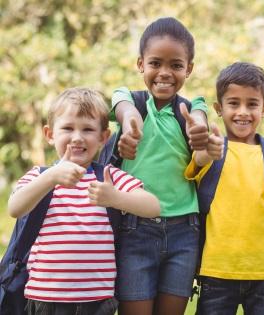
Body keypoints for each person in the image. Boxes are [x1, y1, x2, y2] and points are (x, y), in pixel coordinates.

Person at [7, 87, 160, 315]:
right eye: (68, 128)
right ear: (50, 134)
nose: (77, 137)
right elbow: (15, 208)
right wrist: (51, 177)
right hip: (46, 298)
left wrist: (116, 197)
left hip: (96, 301)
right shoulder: (40, 176)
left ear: (103, 137)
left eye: (88, 129)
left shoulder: (108, 177)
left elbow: (153, 206)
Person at [108, 17, 210, 315]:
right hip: (134, 229)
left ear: (189, 69)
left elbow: (200, 118)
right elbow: (119, 102)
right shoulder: (132, 102)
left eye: (176, 65)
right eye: (155, 63)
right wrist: (129, 123)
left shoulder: (190, 110)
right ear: (140, 64)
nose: (165, 73)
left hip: (184, 233)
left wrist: (199, 130)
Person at [185, 62, 264, 315]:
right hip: (217, 270)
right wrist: (206, 153)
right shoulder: (211, 150)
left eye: (252, 104)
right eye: (233, 103)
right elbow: (196, 165)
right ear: (219, 109)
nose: (243, 111)